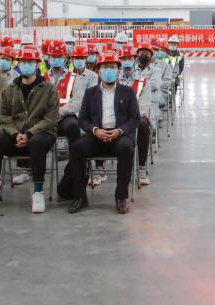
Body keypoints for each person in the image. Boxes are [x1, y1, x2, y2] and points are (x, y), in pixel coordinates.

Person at [0, 45, 59, 214]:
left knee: (36, 143)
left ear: (37, 64)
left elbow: (50, 118)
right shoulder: (10, 89)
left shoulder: (49, 89)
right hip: (15, 134)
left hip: (40, 134)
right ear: (18, 64)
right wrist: (15, 134)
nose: (26, 65)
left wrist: (29, 134)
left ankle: (38, 191)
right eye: (23, 61)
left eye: (30, 62)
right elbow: (3, 116)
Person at [68, 51, 141, 214]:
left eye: (112, 67)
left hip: (119, 135)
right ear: (99, 71)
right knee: (77, 148)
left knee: (126, 148)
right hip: (97, 135)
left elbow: (135, 118)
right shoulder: (90, 93)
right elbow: (83, 120)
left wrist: (120, 131)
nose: (109, 70)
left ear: (118, 70)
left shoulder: (128, 92)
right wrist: (95, 130)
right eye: (105, 67)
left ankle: (121, 196)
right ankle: (79, 196)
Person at [54, 44, 99, 199]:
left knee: (80, 144)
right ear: (71, 59)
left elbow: (90, 99)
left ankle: (77, 175)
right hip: (65, 115)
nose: (79, 60)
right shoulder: (66, 76)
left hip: (83, 114)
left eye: (81, 58)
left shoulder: (92, 76)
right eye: (76, 58)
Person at [128, 43, 162, 186]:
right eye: (141, 52)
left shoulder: (156, 70)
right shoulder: (130, 69)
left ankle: (142, 167)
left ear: (151, 56)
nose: (143, 55)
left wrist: (139, 84)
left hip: (149, 105)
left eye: (147, 53)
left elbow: (155, 85)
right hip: (130, 104)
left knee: (143, 124)